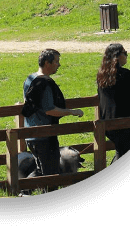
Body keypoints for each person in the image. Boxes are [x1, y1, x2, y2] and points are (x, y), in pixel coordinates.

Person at [22, 49, 84, 179]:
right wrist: (72, 112)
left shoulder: (30, 78)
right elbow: (50, 110)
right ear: (47, 63)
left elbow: (27, 102)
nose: (59, 64)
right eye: (56, 61)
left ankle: (24, 190)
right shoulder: (44, 84)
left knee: (41, 170)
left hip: (30, 134)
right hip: (45, 135)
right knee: (51, 174)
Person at [97, 43, 130, 164]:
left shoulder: (101, 75)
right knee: (123, 152)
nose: (126, 56)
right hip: (123, 122)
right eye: (125, 53)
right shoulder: (124, 74)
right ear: (117, 56)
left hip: (107, 122)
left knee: (121, 151)